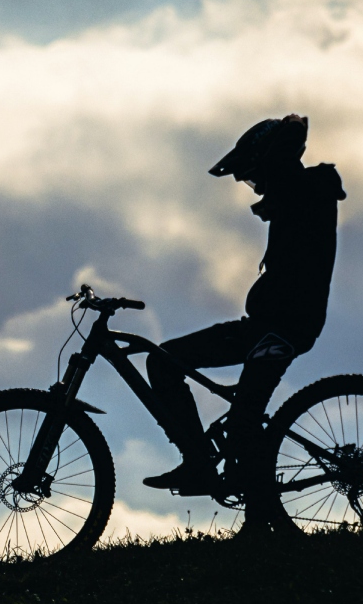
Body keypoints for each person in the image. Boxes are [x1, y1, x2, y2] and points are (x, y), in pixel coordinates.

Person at [142, 114, 346, 494]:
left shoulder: (307, 188)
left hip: (284, 328)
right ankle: (198, 463)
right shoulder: (296, 192)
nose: (253, 187)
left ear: (270, 162)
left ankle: (256, 517)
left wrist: (275, 147)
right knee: (163, 360)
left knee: (244, 424)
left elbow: (283, 169)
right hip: (264, 326)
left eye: (253, 175)